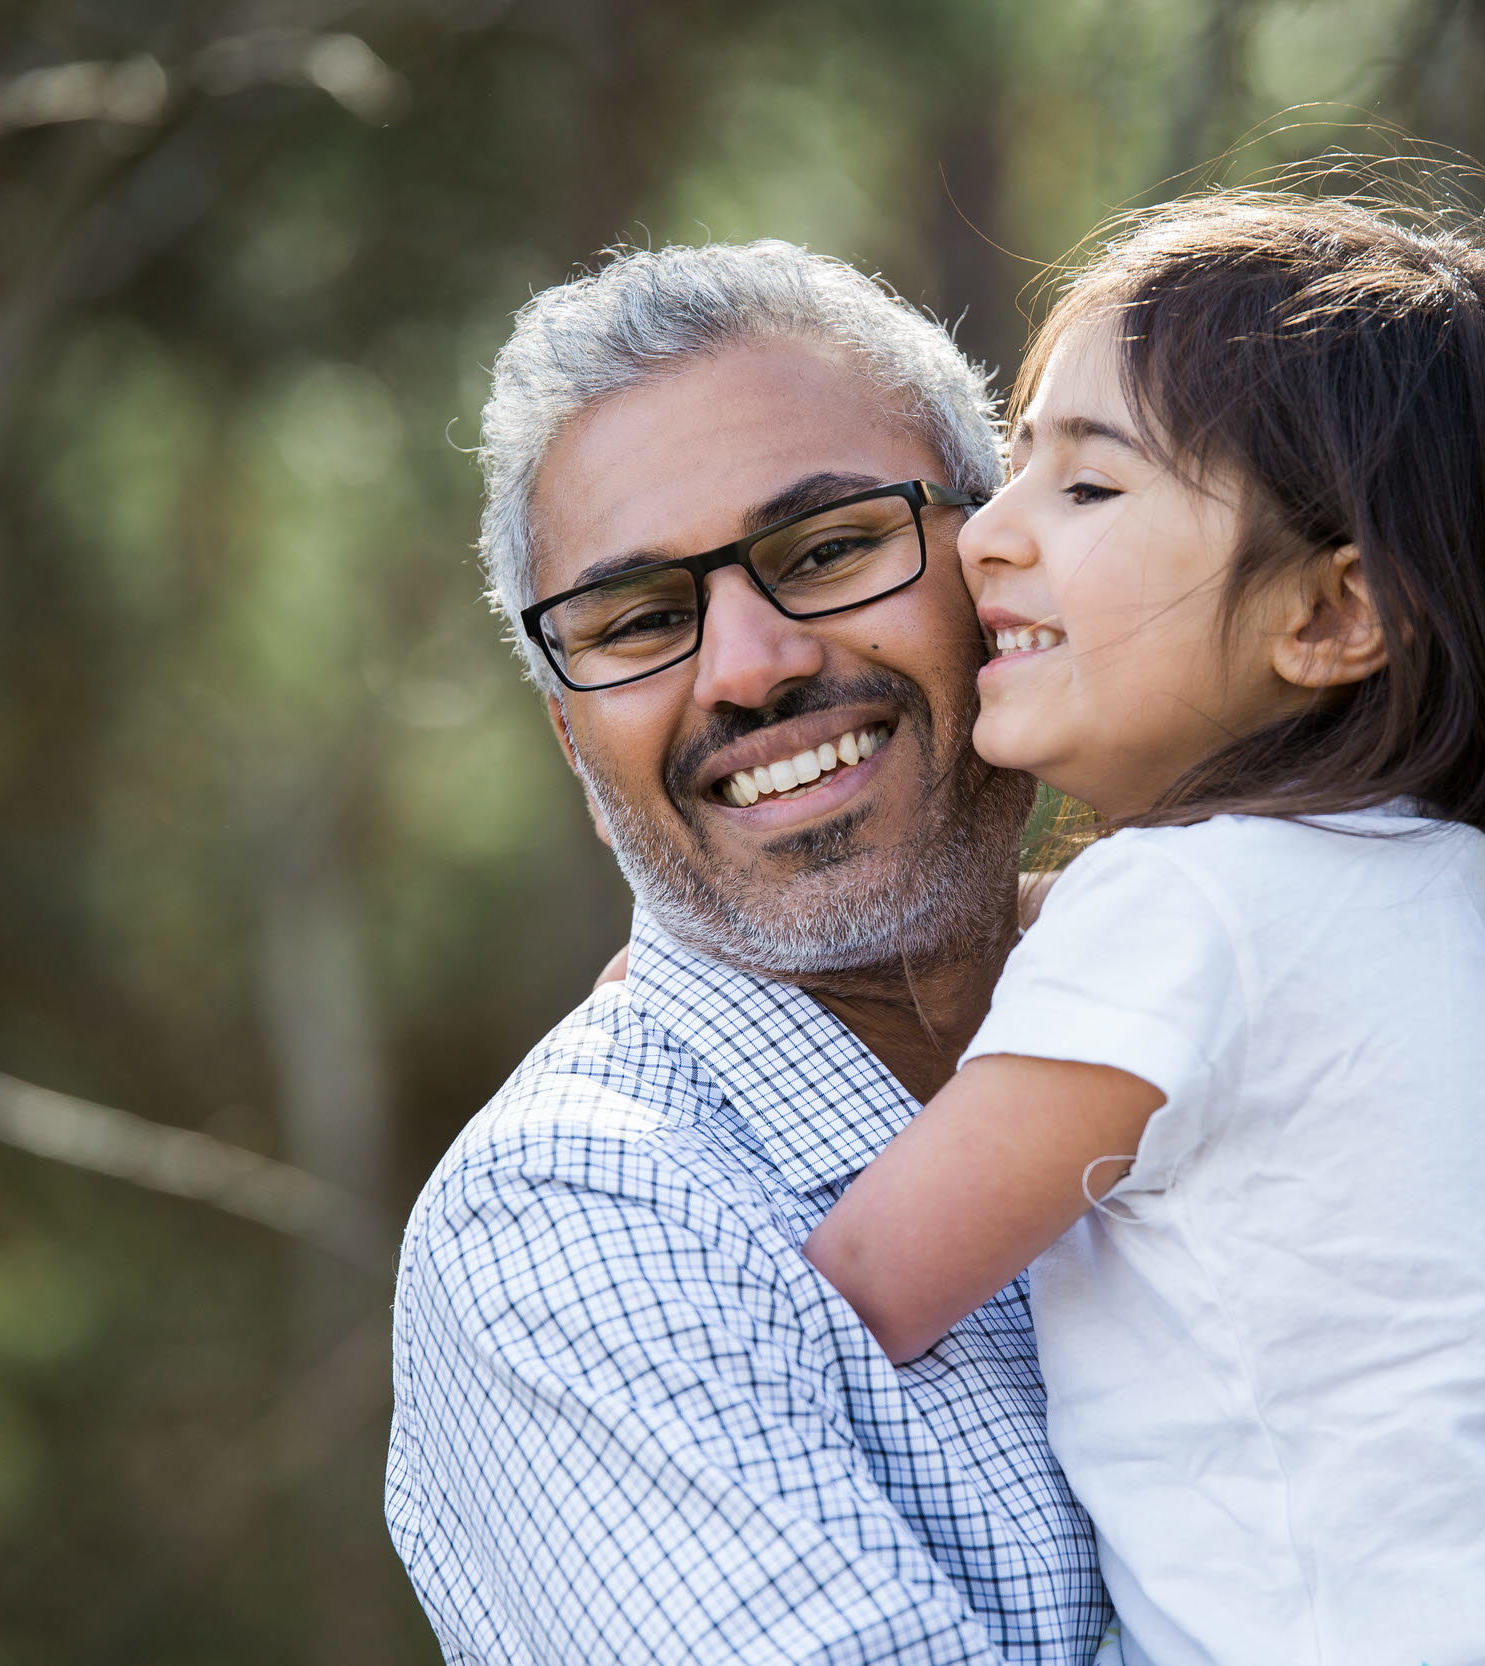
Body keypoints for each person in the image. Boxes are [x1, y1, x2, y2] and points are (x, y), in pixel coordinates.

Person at [802, 191, 1485, 1666]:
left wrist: (731, 1003)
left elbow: (858, 1293)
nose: (984, 538)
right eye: (1015, 468)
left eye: (1089, 488)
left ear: (1334, 616)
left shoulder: (1177, 915)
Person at [384, 241, 1111, 1663]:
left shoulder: (1230, 989)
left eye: (829, 548)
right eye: (643, 620)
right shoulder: (578, 1225)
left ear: (1002, 576)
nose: (749, 666)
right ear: (574, 743)